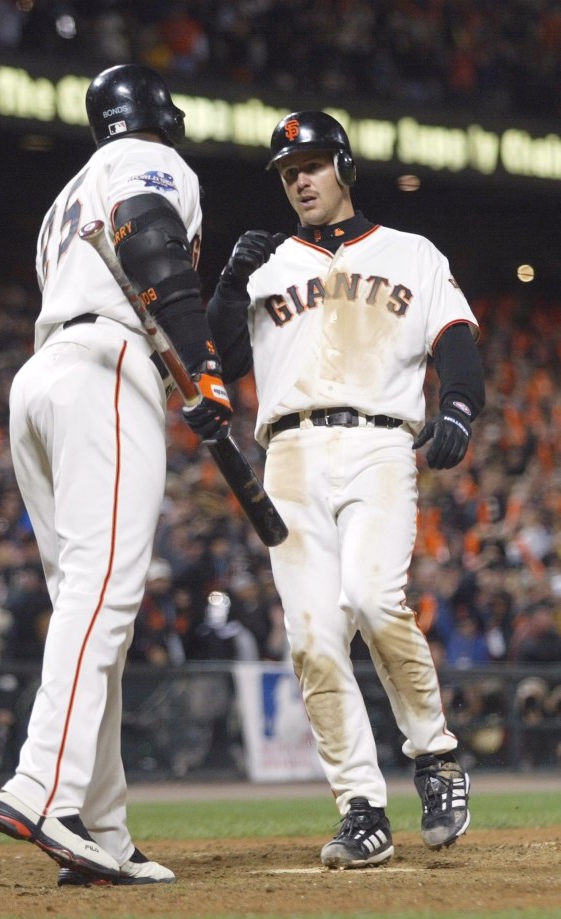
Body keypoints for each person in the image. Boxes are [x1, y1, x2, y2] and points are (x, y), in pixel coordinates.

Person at [198, 111, 485, 869]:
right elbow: (218, 368)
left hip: (379, 443)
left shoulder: (410, 252)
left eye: (314, 164)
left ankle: (434, 752)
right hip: (288, 451)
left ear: (344, 167)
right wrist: (230, 286)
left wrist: (458, 404)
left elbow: (456, 337)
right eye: (289, 170)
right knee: (312, 636)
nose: (300, 178)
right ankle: (361, 805)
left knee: (369, 596)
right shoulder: (264, 265)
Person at [0, 63, 233, 887]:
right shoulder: (147, 161)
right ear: (159, 112)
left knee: (90, 611)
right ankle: (41, 785)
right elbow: (147, 225)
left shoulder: (66, 194)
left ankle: (102, 824)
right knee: (105, 596)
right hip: (105, 364)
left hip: (42, 375)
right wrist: (200, 360)